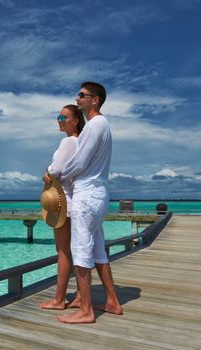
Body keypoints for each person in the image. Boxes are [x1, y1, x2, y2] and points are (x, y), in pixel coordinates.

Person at [56, 82, 123, 324]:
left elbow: (79, 162)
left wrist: (58, 175)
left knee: (81, 251)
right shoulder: (101, 126)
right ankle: (113, 301)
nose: (77, 98)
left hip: (87, 194)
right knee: (97, 251)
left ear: (95, 100)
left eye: (82, 95)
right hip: (98, 194)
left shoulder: (95, 125)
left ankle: (86, 310)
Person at [39, 104, 84, 310]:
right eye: (58, 116)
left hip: (62, 202)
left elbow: (55, 170)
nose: (59, 120)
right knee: (74, 251)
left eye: (63, 117)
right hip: (72, 200)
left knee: (63, 251)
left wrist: (48, 170)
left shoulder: (68, 141)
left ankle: (59, 300)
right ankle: (81, 296)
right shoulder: (80, 142)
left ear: (75, 120)